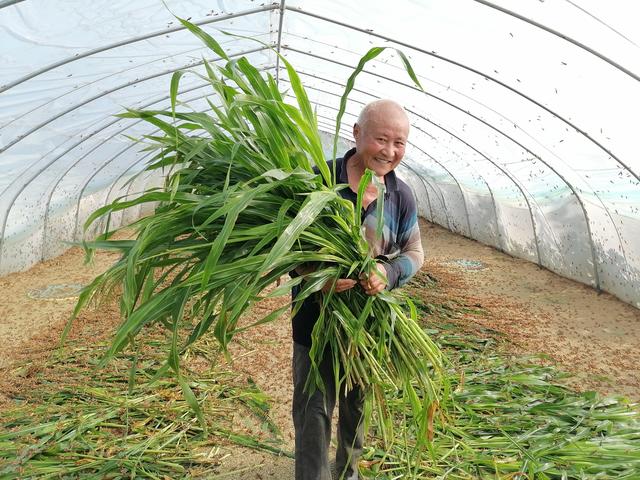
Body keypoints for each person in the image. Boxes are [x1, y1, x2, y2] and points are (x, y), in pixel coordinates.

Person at [291, 99, 424, 480]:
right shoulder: (319, 182)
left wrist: (389, 271)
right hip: (315, 325)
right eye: (381, 139)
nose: (390, 151)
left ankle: (347, 474)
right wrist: (316, 274)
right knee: (313, 410)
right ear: (357, 134)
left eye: (399, 143)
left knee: (357, 405)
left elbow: (415, 252)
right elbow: (285, 247)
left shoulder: (401, 196)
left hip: (370, 328)